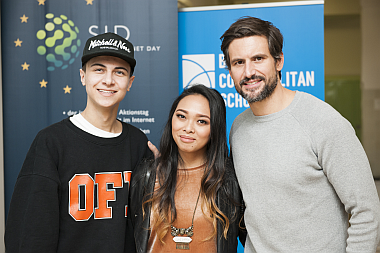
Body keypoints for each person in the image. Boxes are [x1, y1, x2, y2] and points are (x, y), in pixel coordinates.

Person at [220, 16, 380, 252]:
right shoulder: (238, 128)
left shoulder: (324, 122)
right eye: (238, 62)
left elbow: (366, 211)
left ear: (279, 61)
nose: (249, 71)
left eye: (258, 59)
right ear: (230, 70)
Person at [5, 32, 152, 253]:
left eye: (119, 72)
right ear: (83, 76)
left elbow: (149, 223)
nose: (108, 80)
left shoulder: (138, 143)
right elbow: (30, 232)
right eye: (99, 69)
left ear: (129, 82)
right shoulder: (51, 142)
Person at [129, 84, 246, 253]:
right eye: (182, 116)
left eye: (201, 121)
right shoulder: (147, 175)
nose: (188, 128)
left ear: (215, 129)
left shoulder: (229, 181)